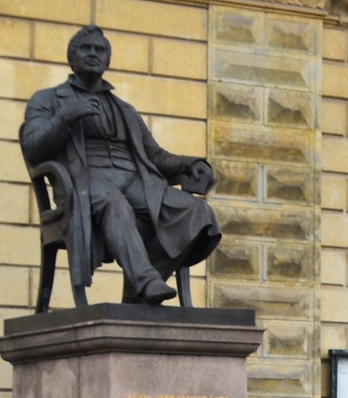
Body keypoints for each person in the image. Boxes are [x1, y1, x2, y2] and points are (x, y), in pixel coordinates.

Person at [19, 26, 219, 304]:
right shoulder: (49, 100)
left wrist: (192, 164)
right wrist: (65, 117)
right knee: (114, 204)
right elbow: (32, 147)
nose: (92, 54)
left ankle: (141, 285)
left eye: (99, 50)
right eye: (85, 49)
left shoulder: (124, 109)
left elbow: (155, 156)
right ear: (71, 58)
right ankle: (146, 280)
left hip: (134, 180)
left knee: (197, 212)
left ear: (107, 60)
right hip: (86, 181)